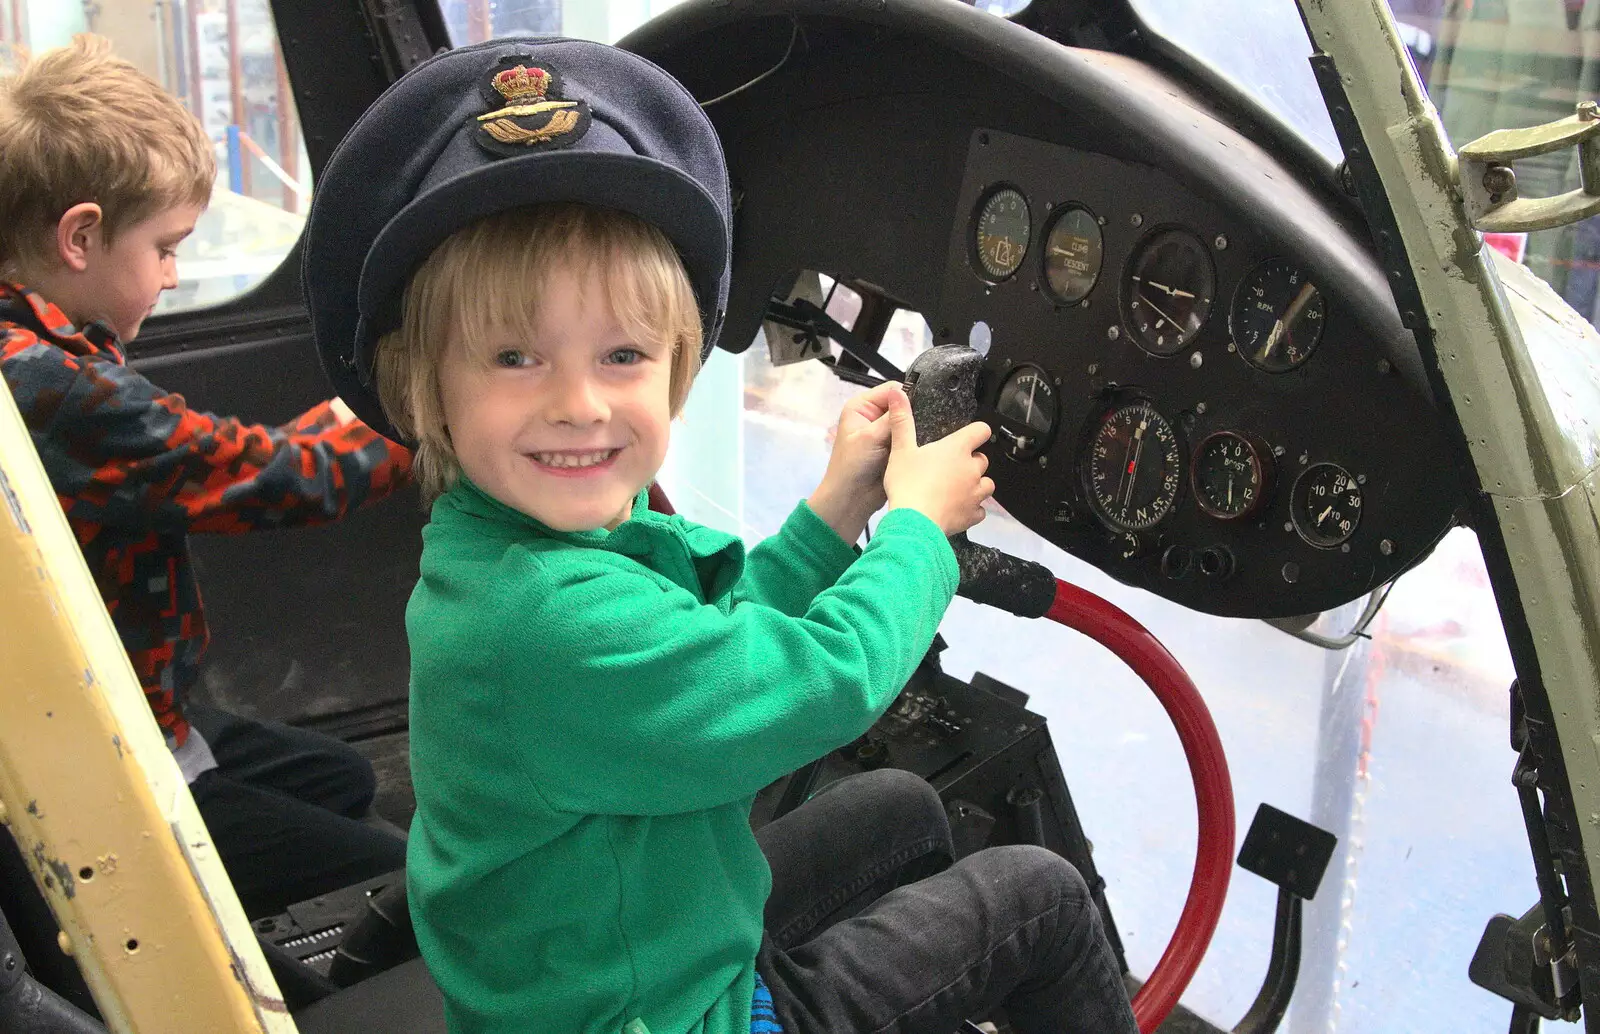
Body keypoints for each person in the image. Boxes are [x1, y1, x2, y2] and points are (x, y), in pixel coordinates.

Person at [303, 37, 1139, 1034]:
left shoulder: (514, 546)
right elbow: (824, 678)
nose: (578, 404)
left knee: (901, 811)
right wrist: (917, 524)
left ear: (676, 365)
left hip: (619, 947)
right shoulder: (544, 620)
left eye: (621, 354)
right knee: (1038, 898)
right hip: (662, 1015)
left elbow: (710, 646)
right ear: (422, 384)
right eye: (514, 356)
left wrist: (836, 512)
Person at [0, 33, 412, 932]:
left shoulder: (37, 354)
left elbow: (223, 453)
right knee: (404, 878)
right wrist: (425, 423)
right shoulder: (52, 389)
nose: (174, 275)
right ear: (80, 237)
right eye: (166, 248)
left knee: (343, 777)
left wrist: (357, 413)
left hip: (143, 708)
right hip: (108, 763)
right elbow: (270, 480)